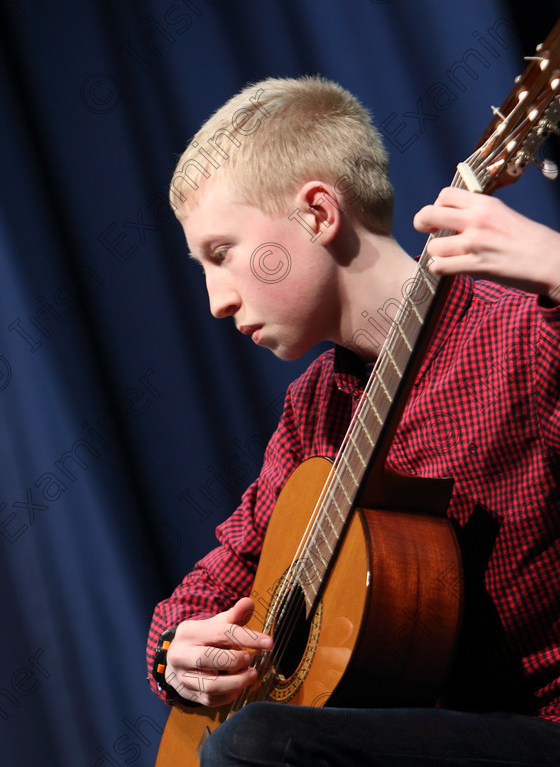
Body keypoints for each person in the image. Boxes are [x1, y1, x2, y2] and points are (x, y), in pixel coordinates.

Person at [147, 76, 560, 765]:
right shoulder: (313, 410)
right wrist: (177, 652)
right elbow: (217, 583)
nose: (216, 300)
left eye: (222, 253)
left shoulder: (523, 335)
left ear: (316, 213)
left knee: (255, 747)